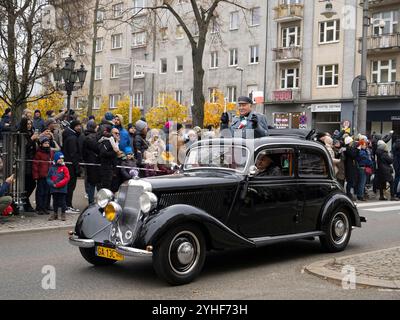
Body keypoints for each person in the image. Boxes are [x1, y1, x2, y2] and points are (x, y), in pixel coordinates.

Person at [19, 117, 39, 212]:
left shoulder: (32, 133)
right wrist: (31, 139)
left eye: (30, 124)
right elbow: (23, 148)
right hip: (25, 162)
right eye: (27, 124)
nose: (29, 126)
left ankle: (25, 201)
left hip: (33, 162)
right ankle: (25, 202)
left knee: (32, 184)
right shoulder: (21, 135)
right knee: (28, 184)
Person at [62, 120, 82, 214]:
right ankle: (67, 205)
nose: (79, 127)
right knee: (70, 186)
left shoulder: (70, 136)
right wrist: (77, 167)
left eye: (80, 125)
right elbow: (73, 154)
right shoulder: (72, 138)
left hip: (69, 164)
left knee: (69, 186)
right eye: (77, 126)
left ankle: (67, 205)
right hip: (71, 166)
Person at [32, 136, 53, 214]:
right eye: (45, 143)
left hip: (48, 176)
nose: (47, 145)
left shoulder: (50, 152)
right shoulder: (39, 153)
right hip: (41, 176)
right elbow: (35, 165)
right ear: (41, 144)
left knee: (47, 192)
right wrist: (36, 176)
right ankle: (39, 207)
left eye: (48, 143)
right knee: (40, 192)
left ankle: (44, 207)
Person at [47, 152, 70, 221]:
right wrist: (52, 184)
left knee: (62, 201)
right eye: (59, 159)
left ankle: (63, 213)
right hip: (54, 188)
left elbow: (67, 178)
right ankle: (55, 213)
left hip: (62, 188)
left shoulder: (65, 168)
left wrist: (59, 184)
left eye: (62, 159)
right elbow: (48, 178)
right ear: (56, 159)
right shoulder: (51, 168)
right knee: (55, 201)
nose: (61, 160)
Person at [82, 120, 99, 205]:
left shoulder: (84, 135)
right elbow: (96, 148)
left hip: (89, 162)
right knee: (94, 183)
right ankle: (92, 202)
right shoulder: (91, 137)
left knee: (91, 183)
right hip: (93, 162)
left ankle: (91, 201)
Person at [98, 125, 119, 190]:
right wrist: (114, 153)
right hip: (106, 167)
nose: (117, 134)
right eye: (116, 133)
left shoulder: (115, 142)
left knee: (112, 187)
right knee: (106, 186)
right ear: (111, 133)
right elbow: (103, 153)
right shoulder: (108, 141)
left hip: (112, 167)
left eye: (118, 133)